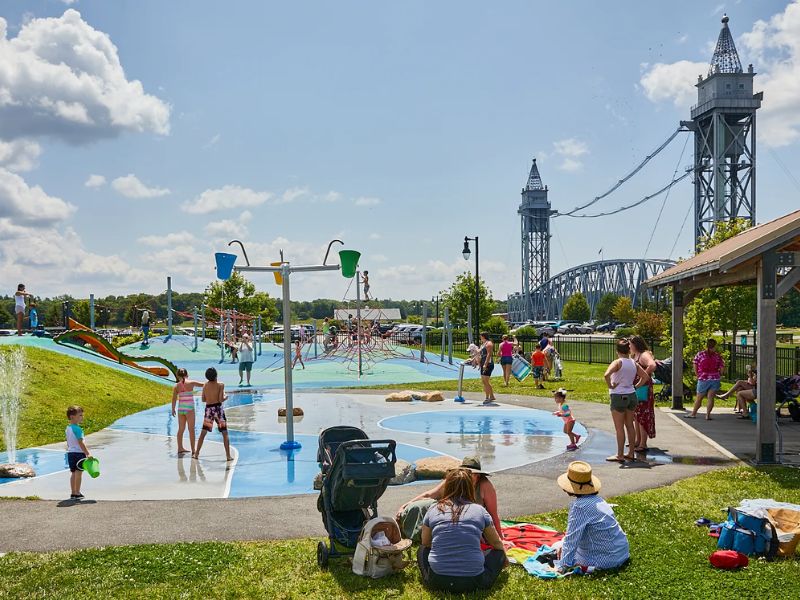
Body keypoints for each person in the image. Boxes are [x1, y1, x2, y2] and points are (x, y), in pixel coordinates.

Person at [417, 468, 507, 593]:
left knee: (422, 550)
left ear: (447, 487)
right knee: (499, 552)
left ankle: (429, 576)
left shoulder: (433, 509)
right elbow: (496, 543)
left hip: (437, 581)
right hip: (474, 582)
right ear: (469, 487)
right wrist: (503, 558)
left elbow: (426, 542)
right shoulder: (480, 511)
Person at [396, 456, 502, 542]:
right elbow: (429, 495)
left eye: (471, 474)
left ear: (478, 476)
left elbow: (493, 514)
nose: (468, 476)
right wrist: (405, 505)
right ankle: (407, 530)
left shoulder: (485, 486)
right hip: (449, 517)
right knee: (420, 506)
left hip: (471, 522)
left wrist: (500, 538)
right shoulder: (454, 479)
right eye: (466, 473)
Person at [553, 461, 629, 572]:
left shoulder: (579, 506)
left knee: (557, 546)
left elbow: (572, 539)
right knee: (562, 544)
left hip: (605, 562)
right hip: (621, 554)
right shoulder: (599, 500)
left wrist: (562, 566)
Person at [604, 339, 649, 462]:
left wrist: (611, 386)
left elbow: (606, 375)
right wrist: (636, 386)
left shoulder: (617, 362)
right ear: (629, 350)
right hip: (631, 396)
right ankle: (631, 453)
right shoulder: (633, 363)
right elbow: (645, 376)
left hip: (618, 396)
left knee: (619, 428)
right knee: (629, 425)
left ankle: (619, 454)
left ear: (617, 351)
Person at [194, 367, 233, 461]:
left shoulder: (205, 386)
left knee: (203, 432)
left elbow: (203, 399)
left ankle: (196, 454)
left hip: (209, 409)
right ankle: (228, 456)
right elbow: (220, 399)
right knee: (224, 432)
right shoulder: (220, 385)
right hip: (218, 409)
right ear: (216, 375)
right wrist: (225, 397)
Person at [630, 335, 657, 453]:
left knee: (642, 416)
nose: (629, 346)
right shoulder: (635, 355)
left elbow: (652, 365)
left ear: (636, 344)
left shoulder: (644, 355)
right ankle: (637, 440)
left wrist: (643, 377)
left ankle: (643, 443)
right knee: (637, 415)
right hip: (637, 388)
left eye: (631, 344)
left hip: (643, 388)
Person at [687, 339, 725, 420]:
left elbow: (695, 364)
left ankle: (693, 413)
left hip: (703, 378)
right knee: (711, 397)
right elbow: (722, 368)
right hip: (715, 378)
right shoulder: (718, 356)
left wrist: (697, 374)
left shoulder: (700, 354)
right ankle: (708, 415)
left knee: (699, 398)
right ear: (714, 346)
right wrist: (720, 374)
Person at [171, 368, 204, 455]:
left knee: (181, 429)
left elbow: (174, 399)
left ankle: (180, 448)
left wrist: (173, 409)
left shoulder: (176, 386)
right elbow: (203, 385)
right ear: (187, 375)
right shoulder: (191, 383)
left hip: (181, 409)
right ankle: (193, 450)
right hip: (189, 409)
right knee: (191, 429)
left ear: (178, 376)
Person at [66, 405, 92, 500]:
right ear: (72, 417)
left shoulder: (68, 428)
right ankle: (77, 492)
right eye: (80, 415)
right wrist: (87, 453)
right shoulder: (78, 429)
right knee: (79, 473)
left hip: (70, 453)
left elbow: (69, 441)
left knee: (73, 473)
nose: (82, 417)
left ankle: (73, 492)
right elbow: (80, 442)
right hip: (79, 454)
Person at [479, 332, 496, 405]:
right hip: (483, 364)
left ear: (483, 336)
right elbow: (480, 354)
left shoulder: (489, 343)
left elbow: (489, 354)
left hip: (488, 364)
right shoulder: (483, 344)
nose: (480, 337)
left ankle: (487, 397)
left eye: (481, 336)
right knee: (484, 381)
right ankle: (492, 396)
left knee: (485, 381)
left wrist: (485, 364)